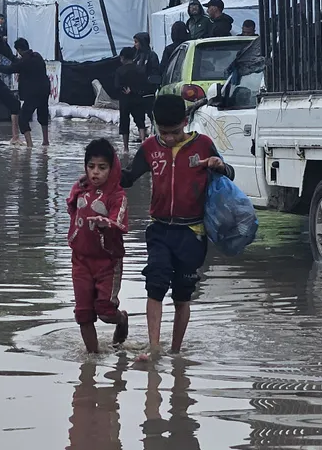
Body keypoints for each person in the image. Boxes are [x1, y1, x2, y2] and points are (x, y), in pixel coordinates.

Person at [119, 94, 235, 361]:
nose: (168, 138)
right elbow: (128, 177)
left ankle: (175, 350)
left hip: (192, 234)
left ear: (185, 122)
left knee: (182, 296)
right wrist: (102, 170)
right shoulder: (149, 148)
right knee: (155, 285)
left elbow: (229, 176)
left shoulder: (204, 146)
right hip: (160, 230)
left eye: (174, 132)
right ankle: (154, 347)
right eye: (163, 132)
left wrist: (220, 167)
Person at [68, 138, 130, 353]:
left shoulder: (117, 195)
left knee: (104, 311)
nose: (95, 172)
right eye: (91, 167)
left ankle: (121, 319)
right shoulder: (79, 189)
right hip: (80, 260)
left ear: (111, 169)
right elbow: (72, 210)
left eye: (102, 168)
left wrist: (106, 225)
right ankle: (92, 359)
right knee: (83, 313)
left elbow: (119, 222)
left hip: (107, 262)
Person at [0, 37, 52, 147]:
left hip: (32, 93)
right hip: (44, 90)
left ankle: (29, 145)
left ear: (19, 50)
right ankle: (45, 141)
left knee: (23, 118)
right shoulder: (38, 56)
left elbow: (9, 69)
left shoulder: (23, 61)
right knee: (43, 115)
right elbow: (20, 64)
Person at [114, 47, 153, 146]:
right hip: (138, 98)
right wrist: (134, 90)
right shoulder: (140, 69)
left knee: (124, 123)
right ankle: (143, 142)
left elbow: (116, 86)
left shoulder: (119, 70)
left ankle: (126, 148)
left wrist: (125, 90)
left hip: (125, 100)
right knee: (140, 121)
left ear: (122, 58)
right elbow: (145, 84)